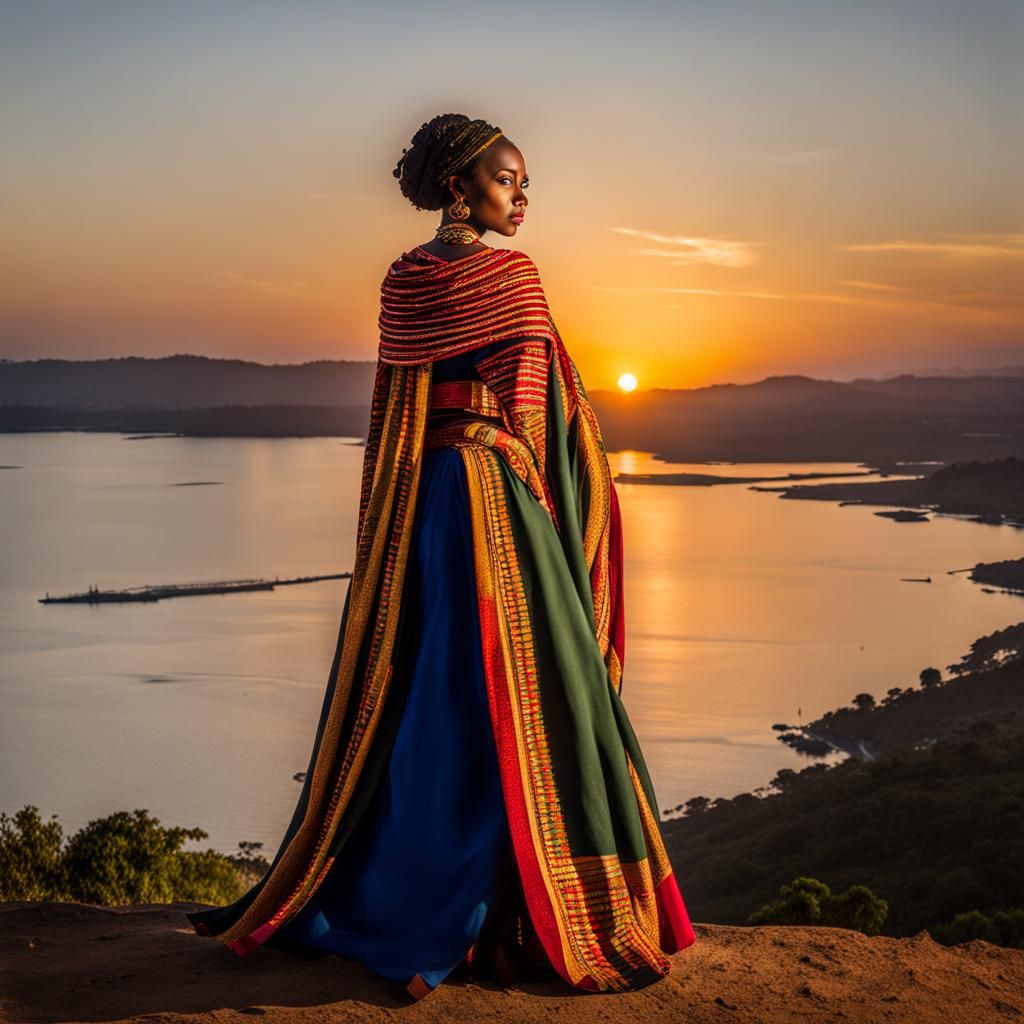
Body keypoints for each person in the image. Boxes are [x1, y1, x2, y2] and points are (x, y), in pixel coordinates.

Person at [185, 113, 696, 1000]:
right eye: (508, 181)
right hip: (497, 495)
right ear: (460, 186)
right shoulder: (513, 276)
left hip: (425, 503)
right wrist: (563, 505)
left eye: (526, 182)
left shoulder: (405, 280)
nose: (523, 197)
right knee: (533, 696)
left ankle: (406, 888)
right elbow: (536, 416)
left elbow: (397, 413)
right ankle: (525, 910)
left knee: (433, 689)